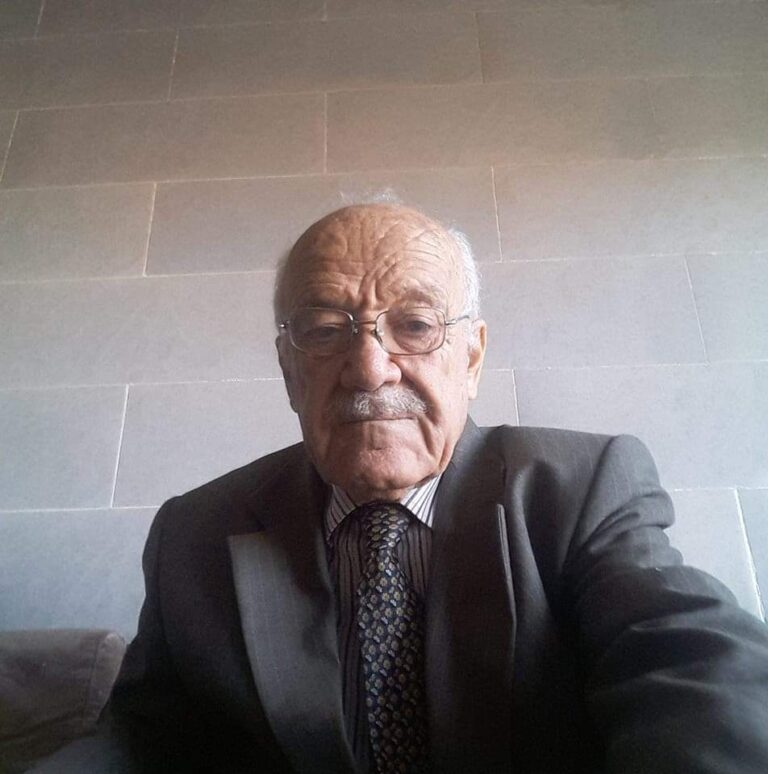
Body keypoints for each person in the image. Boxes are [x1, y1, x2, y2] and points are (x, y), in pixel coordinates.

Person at [42, 203, 768, 773]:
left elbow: (691, 664)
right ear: (289, 370)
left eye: (415, 325)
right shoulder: (193, 534)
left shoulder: (580, 489)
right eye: (324, 330)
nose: (369, 367)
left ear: (471, 358)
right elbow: (142, 737)